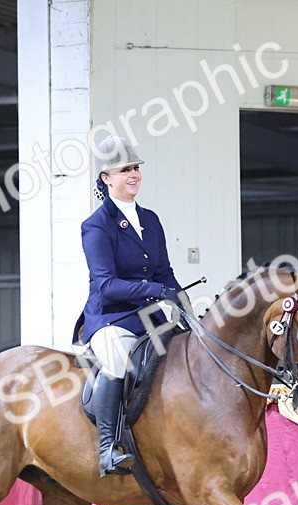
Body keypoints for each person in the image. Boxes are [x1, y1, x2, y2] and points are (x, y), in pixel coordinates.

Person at [78, 136, 185, 476]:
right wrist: (154, 289)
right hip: (112, 318)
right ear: (107, 178)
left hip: (149, 318)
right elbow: (106, 285)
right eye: (125, 170)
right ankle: (108, 448)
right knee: (116, 363)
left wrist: (181, 301)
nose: (133, 174)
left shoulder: (150, 220)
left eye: (136, 168)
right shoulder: (96, 225)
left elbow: (165, 271)